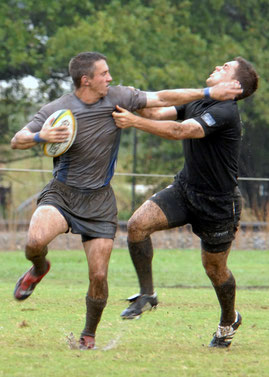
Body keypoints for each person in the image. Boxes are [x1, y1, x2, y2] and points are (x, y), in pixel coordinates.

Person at [10, 51, 243, 350]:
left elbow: (161, 101)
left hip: (109, 203)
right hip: (63, 194)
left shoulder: (120, 95)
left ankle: (88, 336)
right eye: (104, 73)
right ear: (87, 80)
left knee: (101, 274)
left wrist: (136, 114)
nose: (110, 77)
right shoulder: (59, 109)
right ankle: (41, 269)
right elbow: (18, 139)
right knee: (34, 242)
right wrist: (42, 136)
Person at [112, 57, 258, 348]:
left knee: (215, 270)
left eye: (225, 67)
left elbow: (180, 131)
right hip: (184, 189)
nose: (217, 67)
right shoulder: (198, 101)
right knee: (137, 225)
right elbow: (157, 113)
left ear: (235, 85)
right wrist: (129, 97)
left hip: (218, 204)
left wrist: (133, 121)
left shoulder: (226, 111)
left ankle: (228, 320)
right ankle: (147, 295)